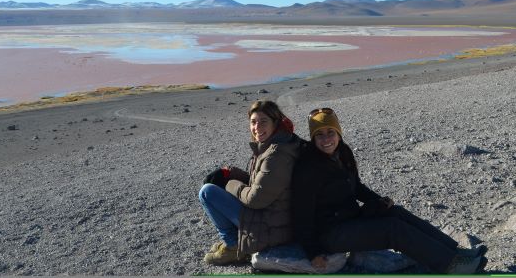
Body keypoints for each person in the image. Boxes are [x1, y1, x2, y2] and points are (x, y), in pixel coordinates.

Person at [292, 107, 488, 274]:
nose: (326, 139)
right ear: (312, 137)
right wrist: (313, 252)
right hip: (331, 233)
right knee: (393, 229)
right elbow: (302, 214)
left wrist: (379, 201)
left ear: (338, 132)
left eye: (330, 132)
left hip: (349, 218)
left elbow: (356, 187)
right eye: (319, 134)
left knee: (395, 212)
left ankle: (456, 252)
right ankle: (450, 266)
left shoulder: (343, 153)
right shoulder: (308, 167)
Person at [198, 100, 303, 265]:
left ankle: (233, 245)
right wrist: (233, 173)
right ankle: (237, 241)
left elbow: (256, 199)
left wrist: (230, 183)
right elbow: (266, 183)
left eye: (263, 122)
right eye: (253, 122)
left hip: (271, 228)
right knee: (219, 187)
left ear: (275, 123)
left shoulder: (276, 154)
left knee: (207, 192)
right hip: (277, 218)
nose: (257, 127)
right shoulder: (277, 143)